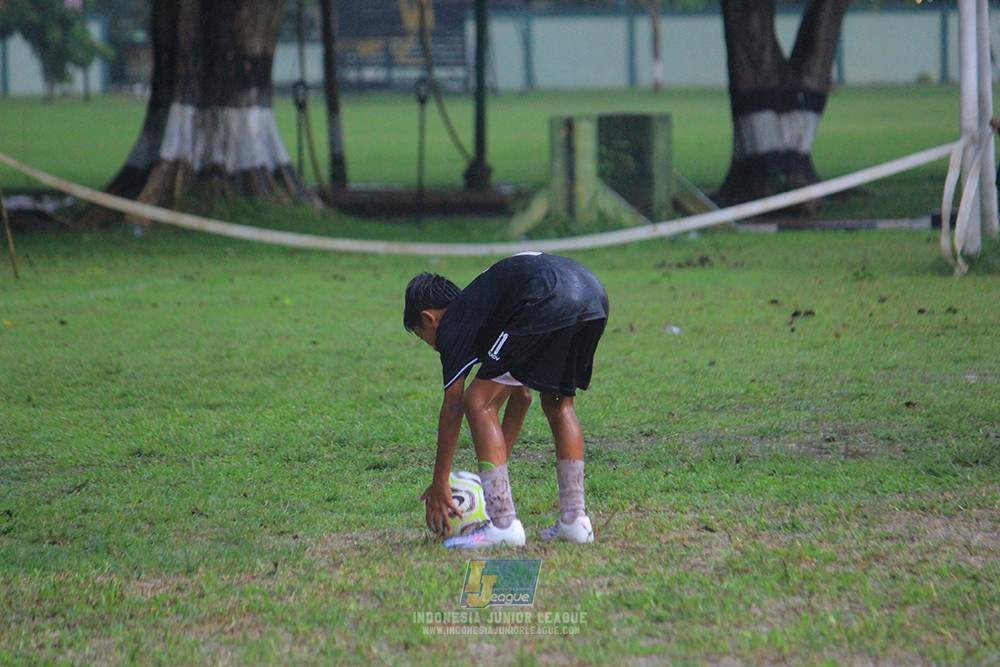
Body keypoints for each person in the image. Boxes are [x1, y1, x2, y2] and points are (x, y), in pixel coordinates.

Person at [403, 251, 609, 550]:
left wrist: (440, 482)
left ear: (429, 319)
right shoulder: (487, 309)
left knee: (478, 400)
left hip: (546, 298)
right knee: (558, 403)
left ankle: (502, 525)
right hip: (591, 295)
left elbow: (454, 407)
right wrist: (493, 474)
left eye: (425, 338)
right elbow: (521, 394)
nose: (435, 347)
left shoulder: (454, 324)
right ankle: (575, 522)